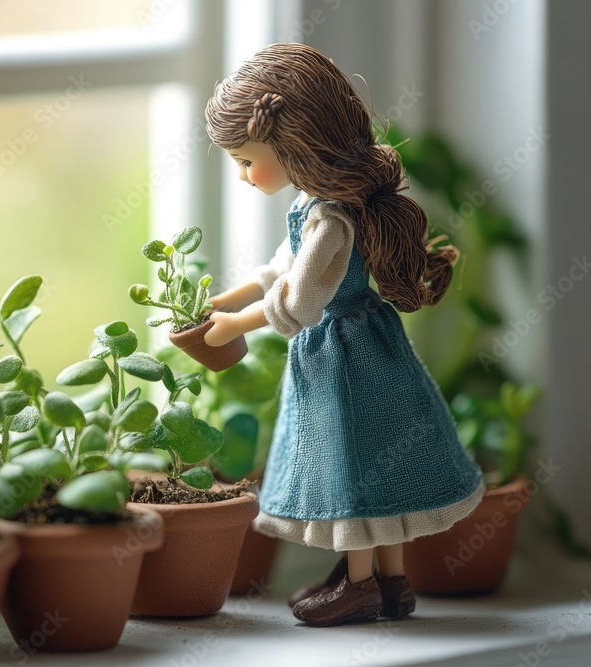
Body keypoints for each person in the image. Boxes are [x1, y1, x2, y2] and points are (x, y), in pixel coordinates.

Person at [202, 43, 484, 627]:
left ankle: (360, 586)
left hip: (346, 357)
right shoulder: (316, 204)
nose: (243, 174)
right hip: (358, 350)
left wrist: (236, 324)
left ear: (292, 146)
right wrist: (232, 296)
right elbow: (283, 268)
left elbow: (300, 302)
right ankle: (392, 581)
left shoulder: (332, 218)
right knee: (373, 462)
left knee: (355, 465)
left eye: (248, 159)